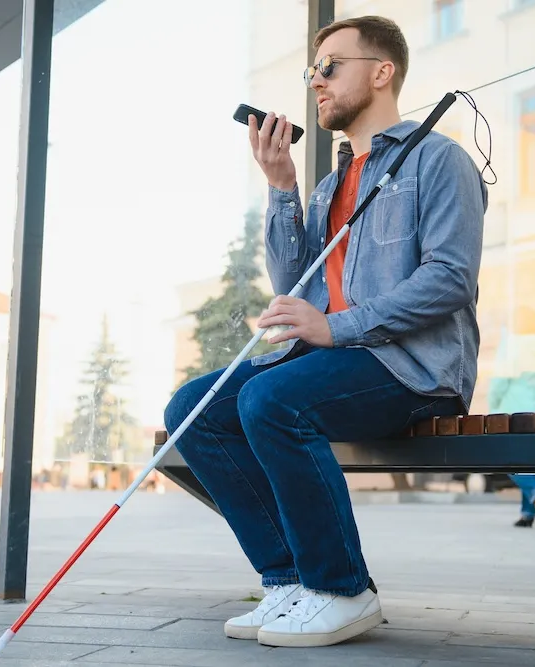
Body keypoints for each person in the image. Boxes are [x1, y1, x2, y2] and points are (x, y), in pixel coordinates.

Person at [164, 15, 488, 648]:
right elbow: (296, 283)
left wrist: (337, 327)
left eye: (330, 66)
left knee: (271, 400)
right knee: (193, 409)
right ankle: (290, 580)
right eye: (313, 69)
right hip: (334, 361)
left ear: (382, 71)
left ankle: (342, 589)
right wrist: (281, 187)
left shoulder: (438, 159)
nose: (316, 80)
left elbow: (450, 278)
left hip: (412, 368)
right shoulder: (331, 185)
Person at [487, 307, 535, 527]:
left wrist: (492, 406)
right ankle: (528, 513)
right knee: (530, 462)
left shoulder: (511, 346)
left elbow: (499, 382)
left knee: (505, 459)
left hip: (511, 412)